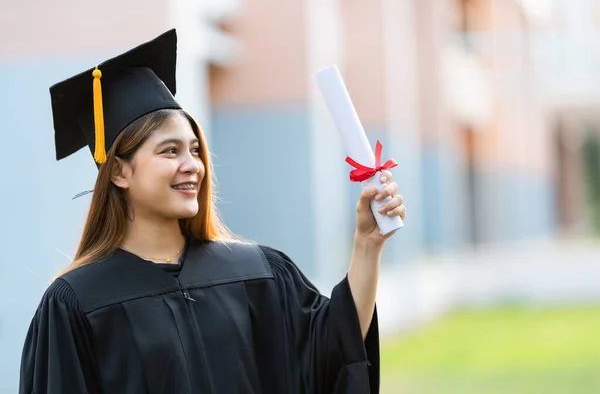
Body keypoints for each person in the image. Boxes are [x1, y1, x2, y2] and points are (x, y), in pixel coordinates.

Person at [19, 29, 406, 394]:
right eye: (170, 151)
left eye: (194, 150)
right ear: (119, 171)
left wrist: (367, 244)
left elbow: (336, 351)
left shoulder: (258, 272)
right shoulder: (77, 302)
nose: (193, 165)